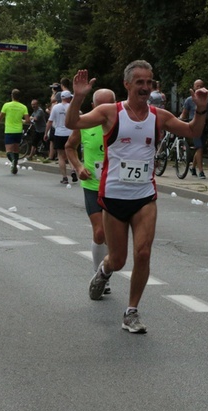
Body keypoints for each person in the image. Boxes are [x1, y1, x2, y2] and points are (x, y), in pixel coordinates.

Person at [66, 60, 208, 333]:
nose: (145, 87)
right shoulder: (110, 112)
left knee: (143, 253)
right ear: (127, 84)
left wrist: (201, 109)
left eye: (149, 82)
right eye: (140, 82)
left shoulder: (159, 116)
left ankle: (131, 311)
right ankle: (105, 270)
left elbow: (193, 131)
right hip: (114, 196)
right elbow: (73, 122)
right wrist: (79, 96)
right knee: (118, 259)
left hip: (144, 196)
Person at [65, 88, 117, 292]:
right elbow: (70, 147)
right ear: (94, 107)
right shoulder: (85, 124)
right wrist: (78, 167)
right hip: (93, 185)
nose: (104, 109)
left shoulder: (124, 122)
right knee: (100, 231)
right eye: (100, 106)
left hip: (116, 186)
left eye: (109, 105)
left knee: (114, 236)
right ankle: (100, 276)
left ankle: (105, 268)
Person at [180, 78, 208, 179]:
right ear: (194, 87)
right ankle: (201, 171)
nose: (199, 88)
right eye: (197, 86)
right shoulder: (189, 100)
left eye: (201, 86)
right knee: (199, 147)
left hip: (204, 124)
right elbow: (184, 114)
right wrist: (177, 122)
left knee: (200, 148)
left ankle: (193, 167)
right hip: (194, 125)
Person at [0, 88, 30, 174]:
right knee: (16, 149)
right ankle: (15, 165)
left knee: (8, 151)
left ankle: (13, 161)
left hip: (9, 130)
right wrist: (22, 121)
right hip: (18, 131)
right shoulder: (23, 107)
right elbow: (28, 120)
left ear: (12, 96)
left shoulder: (6, 105)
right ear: (19, 97)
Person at [45, 90, 76, 184]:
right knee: (71, 154)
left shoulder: (55, 107)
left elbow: (50, 121)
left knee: (61, 156)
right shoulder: (72, 106)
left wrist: (46, 133)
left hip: (59, 133)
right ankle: (73, 170)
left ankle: (64, 177)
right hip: (70, 133)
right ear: (68, 98)